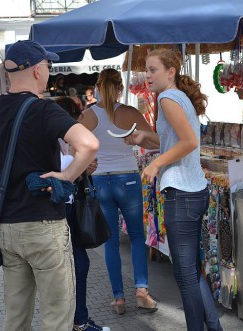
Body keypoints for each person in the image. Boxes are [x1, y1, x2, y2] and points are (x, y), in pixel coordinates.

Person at [0, 40, 99, 331]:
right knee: (57, 316)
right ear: (36, 71)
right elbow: (89, 143)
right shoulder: (44, 110)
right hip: (43, 225)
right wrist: (66, 176)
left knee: (16, 316)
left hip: (7, 226)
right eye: (47, 65)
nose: (48, 71)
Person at [125, 48, 223, 331]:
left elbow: (189, 142)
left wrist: (157, 165)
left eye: (153, 69)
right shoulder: (174, 96)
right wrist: (146, 136)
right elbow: (175, 140)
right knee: (190, 271)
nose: (147, 75)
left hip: (182, 193)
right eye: (146, 69)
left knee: (184, 274)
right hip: (193, 191)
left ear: (170, 72)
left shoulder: (167, 97)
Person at [79, 68, 157, 314]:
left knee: (110, 242)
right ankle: (142, 291)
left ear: (98, 87)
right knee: (136, 237)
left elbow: (74, 149)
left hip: (100, 180)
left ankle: (119, 299)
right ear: (120, 88)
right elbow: (156, 141)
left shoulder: (88, 116)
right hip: (128, 179)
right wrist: (138, 138)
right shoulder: (130, 113)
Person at [55, 97, 109, 331]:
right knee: (78, 265)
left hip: (64, 209)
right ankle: (79, 322)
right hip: (59, 212)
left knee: (79, 264)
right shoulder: (55, 139)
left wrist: (81, 169)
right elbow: (57, 172)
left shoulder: (59, 141)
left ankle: (79, 320)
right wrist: (79, 166)